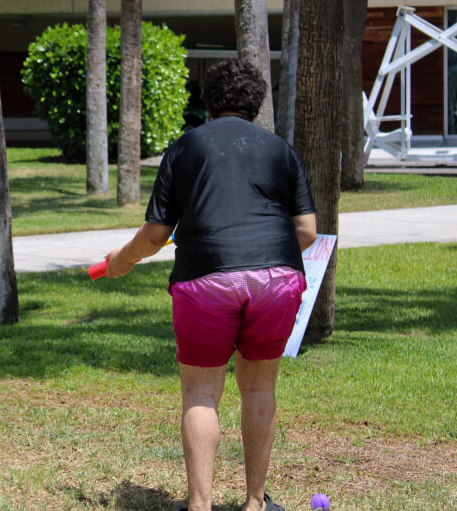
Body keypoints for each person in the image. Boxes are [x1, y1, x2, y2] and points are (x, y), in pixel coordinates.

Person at [103, 60, 317, 511]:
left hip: (206, 278)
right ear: (256, 104)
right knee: (259, 387)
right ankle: (255, 503)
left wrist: (120, 262)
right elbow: (307, 231)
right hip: (277, 278)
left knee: (201, 391)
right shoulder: (281, 150)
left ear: (208, 101)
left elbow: (156, 234)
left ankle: (200, 505)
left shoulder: (185, 148)